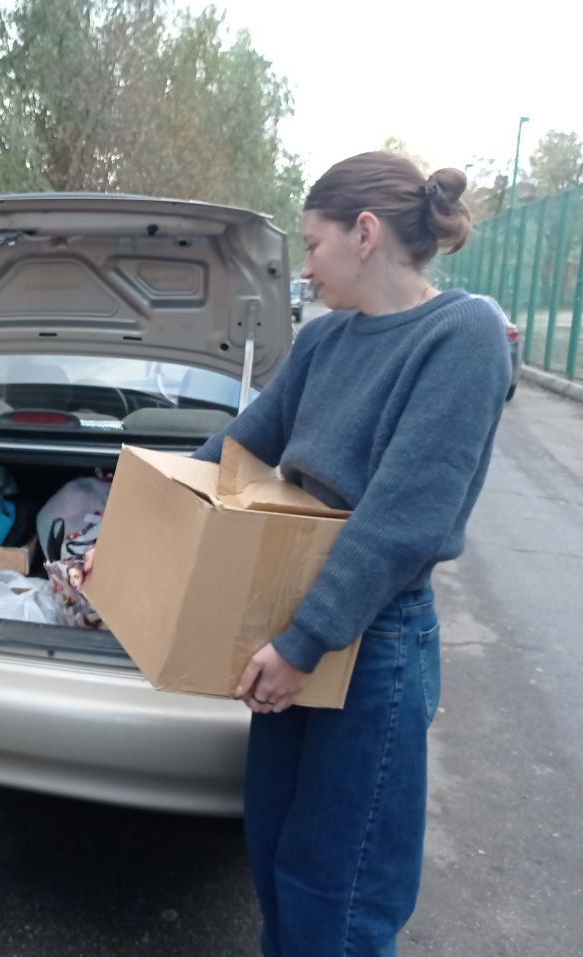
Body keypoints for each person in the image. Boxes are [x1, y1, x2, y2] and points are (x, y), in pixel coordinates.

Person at [193, 152, 509, 954]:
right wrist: (127, 520)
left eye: (312, 243)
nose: (305, 266)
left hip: (370, 641)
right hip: (301, 622)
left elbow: (401, 519)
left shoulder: (462, 335)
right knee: (273, 859)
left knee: (339, 893)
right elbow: (241, 444)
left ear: (364, 233)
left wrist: (304, 641)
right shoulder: (328, 339)